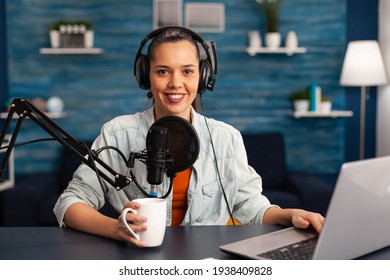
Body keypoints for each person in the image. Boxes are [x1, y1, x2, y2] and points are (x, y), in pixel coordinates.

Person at [54, 26, 325, 248]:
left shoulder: (225, 138)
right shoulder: (118, 133)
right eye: (163, 71)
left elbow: (248, 206)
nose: (175, 83)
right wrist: (116, 229)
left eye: (187, 71)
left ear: (203, 75)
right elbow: (70, 203)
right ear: (145, 75)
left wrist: (286, 214)